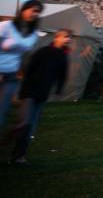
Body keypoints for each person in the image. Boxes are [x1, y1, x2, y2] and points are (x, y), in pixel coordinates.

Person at [3, 28, 70, 164]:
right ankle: (4, 142)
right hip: (30, 92)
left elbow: (62, 74)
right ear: (57, 37)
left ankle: (18, 157)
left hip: (42, 94)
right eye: (65, 37)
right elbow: (28, 67)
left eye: (69, 37)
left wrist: (59, 89)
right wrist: (22, 86)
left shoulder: (63, 55)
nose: (68, 39)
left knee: (30, 127)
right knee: (24, 123)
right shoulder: (43, 51)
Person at [0, 0, 43, 129]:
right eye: (33, 10)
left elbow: (24, 56)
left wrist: (21, 73)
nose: (35, 14)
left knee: (2, 109)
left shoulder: (33, 35)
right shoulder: (6, 26)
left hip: (12, 75)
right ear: (23, 10)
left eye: (38, 12)